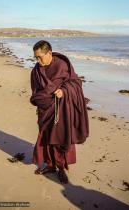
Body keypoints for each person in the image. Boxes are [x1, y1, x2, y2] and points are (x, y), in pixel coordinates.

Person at [30, 40, 89, 183]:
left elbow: (75, 83)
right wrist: (40, 99)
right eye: (35, 57)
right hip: (45, 110)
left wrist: (64, 91)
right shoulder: (36, 70)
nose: (38, 61)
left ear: (49, 53)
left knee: (60, 138)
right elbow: (36, 90)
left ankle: (61, 168)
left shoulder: (62, 65)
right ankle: (50, 166)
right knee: (46, 137)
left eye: (40, 57)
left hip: (61, 109)